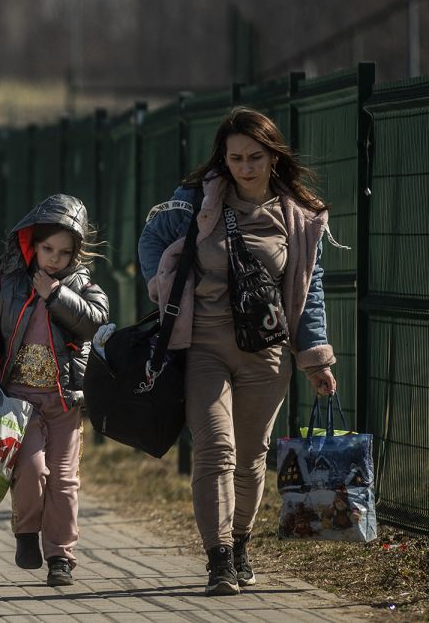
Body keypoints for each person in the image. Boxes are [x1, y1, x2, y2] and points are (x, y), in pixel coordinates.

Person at [138, 107, 338, 596]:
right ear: (222, 160)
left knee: (251, 457)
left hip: (266, 354)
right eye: (235, 158)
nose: (245, 167)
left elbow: (309, 291)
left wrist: (315, 360)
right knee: (215, 448)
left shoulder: (299, 216)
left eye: (254, 157)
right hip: (202, 345)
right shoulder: (194, 200)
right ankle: (219, 559)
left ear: (273, 156)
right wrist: (161, 286)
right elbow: (151, 240)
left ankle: (242, 541)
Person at [0, 193, 109, 588]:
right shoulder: (7, 283)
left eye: (64, 253)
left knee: (64, 481)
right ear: (31, 244)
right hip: (19, 402)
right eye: (47, 248)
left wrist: (56, 294)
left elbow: (95, 322)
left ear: (76, 254)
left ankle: (61, 556)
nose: (54, 259)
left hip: (65, 401)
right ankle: (26, 532)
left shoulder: (82, 285)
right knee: (31, 471)